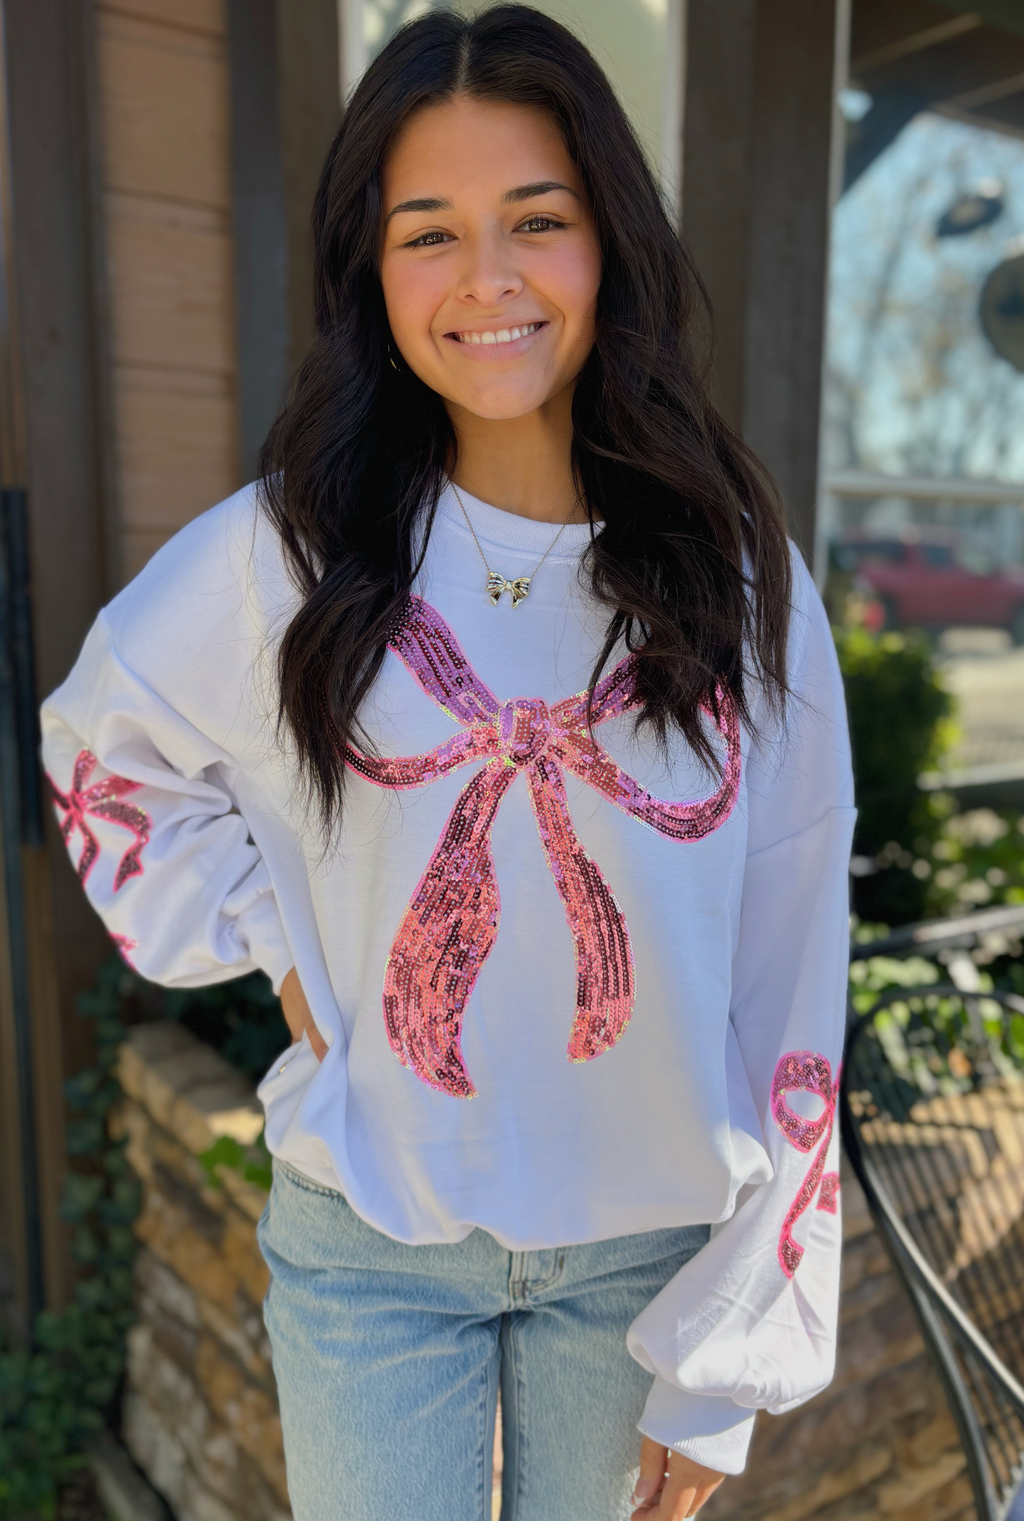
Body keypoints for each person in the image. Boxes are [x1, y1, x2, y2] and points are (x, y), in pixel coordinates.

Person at [41, 7, 855, 1519]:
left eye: (536, 219)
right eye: (431, 232)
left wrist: (728, 1361)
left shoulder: (737, 579)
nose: (489, 278)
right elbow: (106, 747)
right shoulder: (284, 555)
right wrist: (289, 961)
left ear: (609, 237)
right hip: (373, 1251)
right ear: (371, 267)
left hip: (649, 1249)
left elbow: (800, 955)